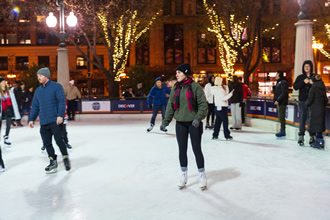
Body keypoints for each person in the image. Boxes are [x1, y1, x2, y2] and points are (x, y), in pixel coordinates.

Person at [160, 63, 208, 190]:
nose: (177, 75)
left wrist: (198, 118)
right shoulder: (176, 88)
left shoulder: (195, 87)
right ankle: (183, 174)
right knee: (182, 149)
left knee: (196, 149)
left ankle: (202, 175)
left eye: (179, 72)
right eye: (176, 73)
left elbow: (203, 104)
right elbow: (170, 106)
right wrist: (166, 121)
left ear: (185, 73)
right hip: (180, 123)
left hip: (194, 123)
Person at [29, 67, 71, 174]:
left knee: (59, 140)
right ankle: (53, 161)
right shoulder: (38, 91)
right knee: (47, 143)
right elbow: (35, 106)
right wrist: (31, 119)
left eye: (40, 76)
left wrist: (60, 115)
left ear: (46, 76)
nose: (38, 78)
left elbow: (61, 101)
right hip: (44, 121)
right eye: (38, 76)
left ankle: (65, 157)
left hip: (55, 120)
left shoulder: (56, 87)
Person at [293, 60, 315, 146]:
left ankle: (312, 136)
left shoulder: (314, 76)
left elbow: (320, 86)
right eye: (305, 66)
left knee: (311, 119)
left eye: (308, 66)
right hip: (302, 101)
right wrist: (303, 82)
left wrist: (313, 83)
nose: (307, 68)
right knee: (302, 119)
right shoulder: (300, 77)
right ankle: (301, 136)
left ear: (311, 67)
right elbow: (295, 87)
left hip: (312, 101)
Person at [306, 74, 328, 149]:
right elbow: (325, 99)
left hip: (314, 109)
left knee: (314, 124)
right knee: (320, 125)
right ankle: (320, 140)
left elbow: (310, 99)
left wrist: (307, 104)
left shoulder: (313, 88)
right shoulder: (322, 87)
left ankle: (316, 142)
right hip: (321, 108)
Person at [0, 77, 21, 146]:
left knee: (8, 125)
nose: (4, 83)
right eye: (3, 82)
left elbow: (14, 100)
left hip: (9, 109)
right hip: (1, 110)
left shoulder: (9, 90)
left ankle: (6, 137)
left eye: (4, 82)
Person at [273, 70, 289, 138]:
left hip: (282, 102)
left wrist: (278, 100)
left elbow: (284, 92)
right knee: (280, 116)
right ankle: (282, 130)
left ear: (279, 74)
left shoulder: (283, 82)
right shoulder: (279, 82)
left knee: (282, 116)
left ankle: (283, 131)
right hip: (280, 102)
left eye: (276, 74)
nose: (275, 76)